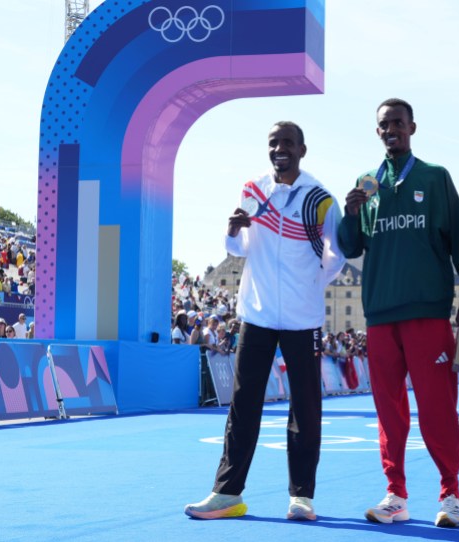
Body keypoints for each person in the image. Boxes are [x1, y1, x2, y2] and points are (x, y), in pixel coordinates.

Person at [185, 121, 345, 521]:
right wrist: (231, 233)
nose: (280, 149)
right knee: (243, 405)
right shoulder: (253, 189)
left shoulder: (321, 198)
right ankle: (227, 493)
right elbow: (239, 249)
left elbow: (336, 256)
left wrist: (309, 285)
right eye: (273, 143)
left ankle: (301, 496)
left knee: (305, 408)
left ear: (302, 149)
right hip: (255, 314)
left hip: (301, 318)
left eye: (287, 143)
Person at [338, 98, 459, 528]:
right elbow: (350, 247)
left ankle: (451, 495)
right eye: (384, 125)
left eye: (398, 123)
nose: (391, 130)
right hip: (380, 315)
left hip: (427, 314)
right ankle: (395, 494)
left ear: (412, 127)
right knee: (389, 412)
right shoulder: (368, 185)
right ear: (377, 131)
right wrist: (350, 213)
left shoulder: (434, 178)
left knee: (438, 409)